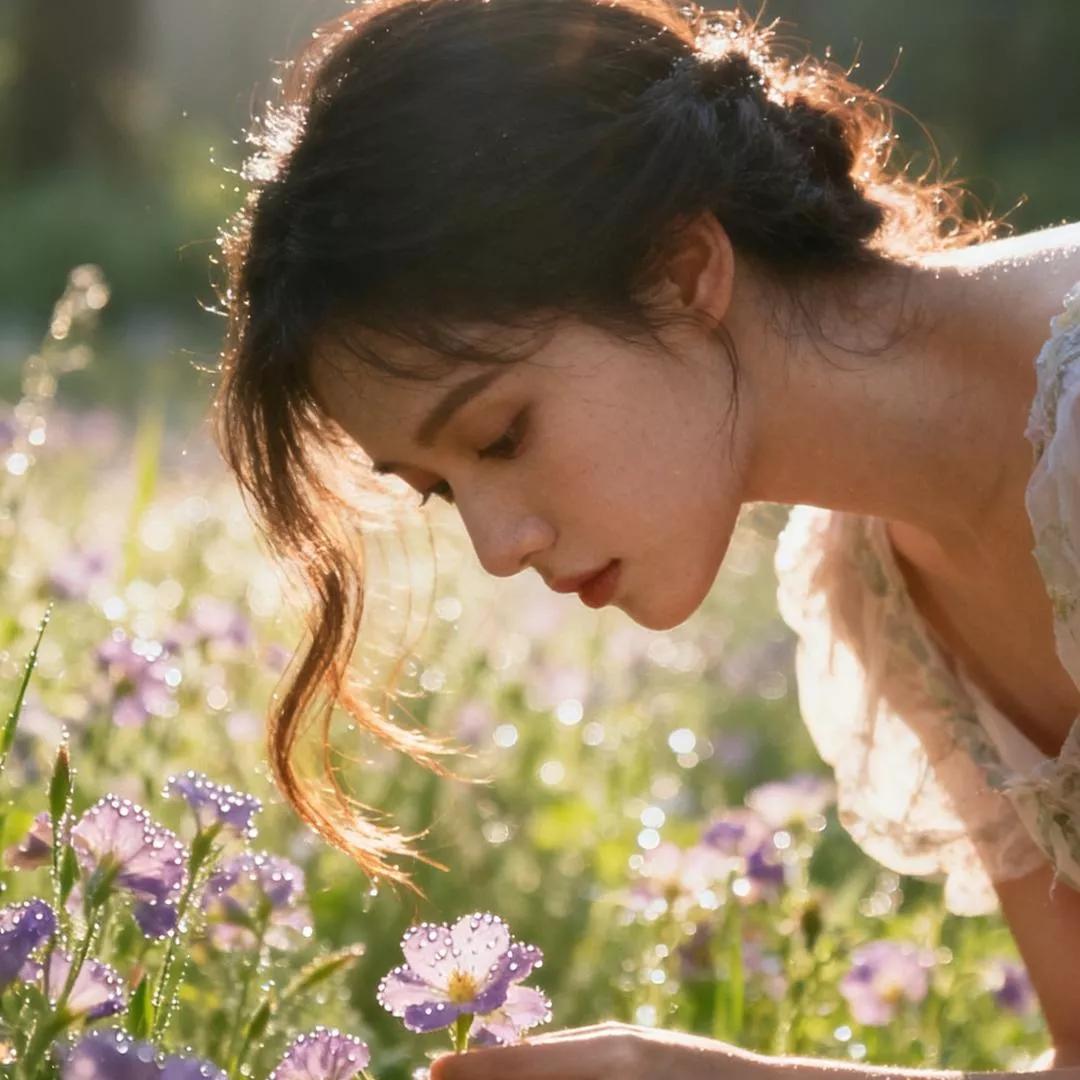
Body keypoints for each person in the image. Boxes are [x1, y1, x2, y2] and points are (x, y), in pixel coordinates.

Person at [212, 0, 1080, 1074]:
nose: (497, 548)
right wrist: (671, 1072)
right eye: (438, 490)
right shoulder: (880, 583)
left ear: (681, 269)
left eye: (502, 433)